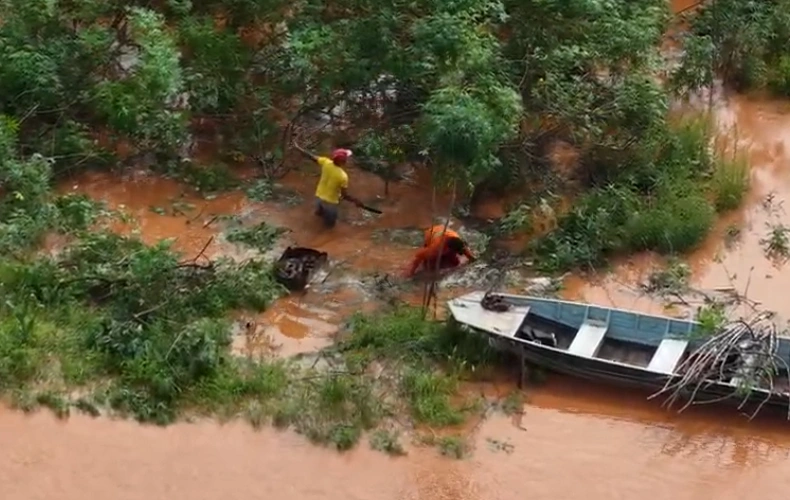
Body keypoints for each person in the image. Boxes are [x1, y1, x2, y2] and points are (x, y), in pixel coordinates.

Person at [293, 141, 364, 228]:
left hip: (319, 197)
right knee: (330, 227)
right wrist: (356, 201)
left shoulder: (326, 163)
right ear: (344, 161)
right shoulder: (343, 176)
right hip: (330, 203)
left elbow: (311, 157)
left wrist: (298, 148)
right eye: (346, 158)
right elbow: (344, 195)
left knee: (318, 216)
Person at [405, 224, 476, 277]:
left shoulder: (459, 244)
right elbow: (418, 256)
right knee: (428, 265)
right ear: (447, 249)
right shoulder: (435, 248)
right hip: (431, 232)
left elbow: (471, 257)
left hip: (445, 231)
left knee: (455, 262)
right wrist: (411, 272)